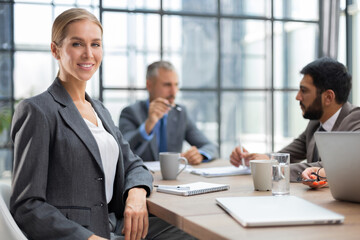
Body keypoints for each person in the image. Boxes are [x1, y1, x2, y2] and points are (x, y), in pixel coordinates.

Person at [10, 8, 194, 240]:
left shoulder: (99, 109)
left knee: (193, 231)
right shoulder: (38, 111)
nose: (88, 54)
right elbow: (27, 206)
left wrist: (136, 195)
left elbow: (135, 165)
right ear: (55, 50)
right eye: (77, 44)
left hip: (115, 224)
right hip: (83, 234)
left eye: (95, 44)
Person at [230, 57, 360, 182]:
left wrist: (275, 169)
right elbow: (286, 156)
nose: (298, 97)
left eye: (304, 91)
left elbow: (333, 168)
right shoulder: (316, 124)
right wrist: (256, 159)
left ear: (328, 97)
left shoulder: (355, 121)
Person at [119, 60, 219, 165]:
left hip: (173, 179)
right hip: (142, 177)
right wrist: (149, 124)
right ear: (149, 85)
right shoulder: (130, 112)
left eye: (176, 85)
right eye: (167, 85)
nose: (174, 92)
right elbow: (123, 151)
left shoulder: (180, 113)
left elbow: (211, 147)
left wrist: (200, 154)